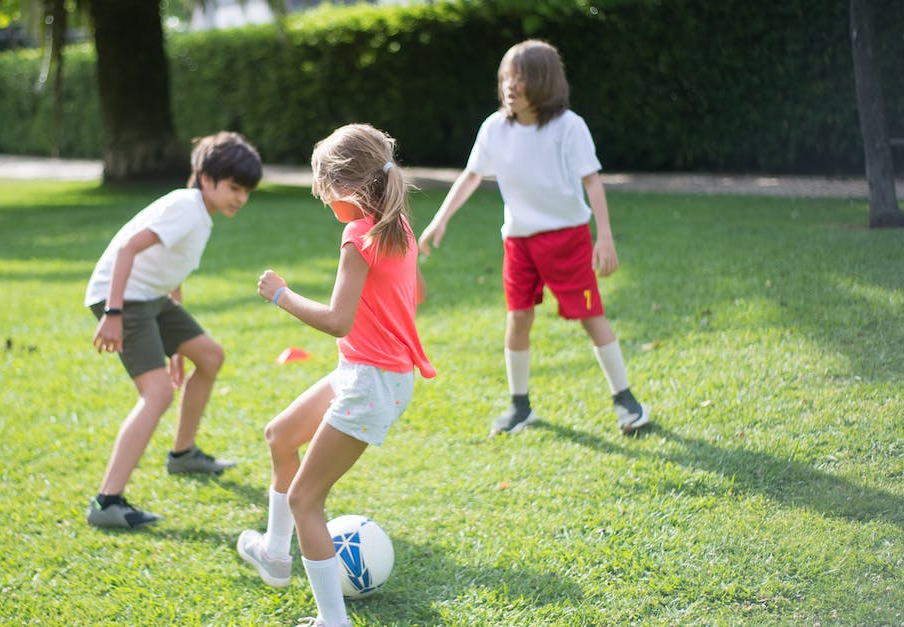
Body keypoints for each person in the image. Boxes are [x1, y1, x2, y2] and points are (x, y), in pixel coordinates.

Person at [237, 123, 435, 627]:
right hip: (365, 372)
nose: (325, 204)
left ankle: (333, 620)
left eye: (326, 194)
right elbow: (418, 294)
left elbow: (336, 320)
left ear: (346, 190)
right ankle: (276, 555)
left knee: (306, 499)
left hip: (370, 383)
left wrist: (281, 294)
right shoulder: (399, 227)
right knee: (280, 435)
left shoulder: (359, 236)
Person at [418, 39, 649, 437]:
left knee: (591, 318)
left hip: (568, 240)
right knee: (518, 317)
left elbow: (592, 182)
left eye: (520, 77)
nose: (510, 85)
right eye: (506, 76)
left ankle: (626, 401)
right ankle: (520, 406)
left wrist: (604, 238)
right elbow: (472, 175)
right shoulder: (494, 127)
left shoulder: (568, 126)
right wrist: (440, 220)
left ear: (543, 82)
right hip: (519, 243)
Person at [83, 131, 262, 529]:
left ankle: (183, 455)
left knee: (210, 356)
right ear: (206, 178)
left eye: (246, 191)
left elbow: (172, 274)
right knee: (158, 393)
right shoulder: (186, 207)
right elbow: (128, 248)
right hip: (124, 297)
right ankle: (106, 501)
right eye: (234, 188)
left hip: (150, 296)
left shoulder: (201, 214)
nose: (240, 198)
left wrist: (177, 348)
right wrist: (112, 312)